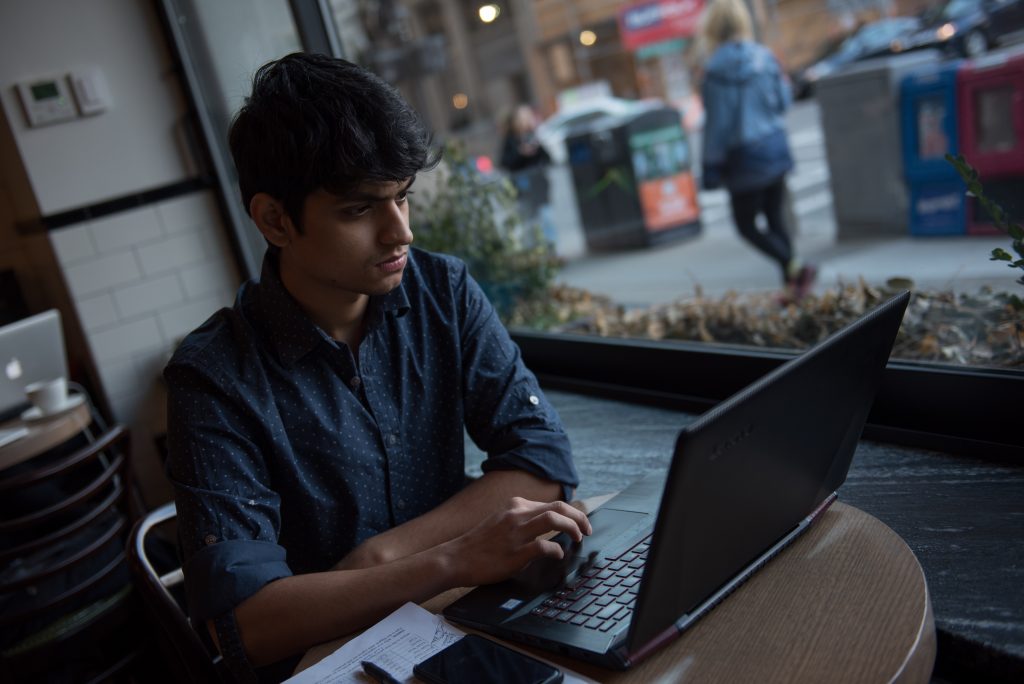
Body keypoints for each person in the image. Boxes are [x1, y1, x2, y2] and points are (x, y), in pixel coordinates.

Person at [163, 52, 589, 682]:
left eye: (404, 198)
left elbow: (544, 463)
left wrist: (380, 556)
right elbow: (250, 627)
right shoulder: (214, 378)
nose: (401, 234)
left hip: (456, 626)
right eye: (360, 210)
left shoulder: (441, 290)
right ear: (275, 220)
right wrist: (451, 559)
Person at [698, 0, 816, 300]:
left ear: (711, 29)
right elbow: (783, 103)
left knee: (746, 225)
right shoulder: (765, 57)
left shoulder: (714, 72)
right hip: (775, 147)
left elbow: (718, 127)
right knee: (775, 218)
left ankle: (794, 268)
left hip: (744, 157)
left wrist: (710, 166)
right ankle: (793, 286)